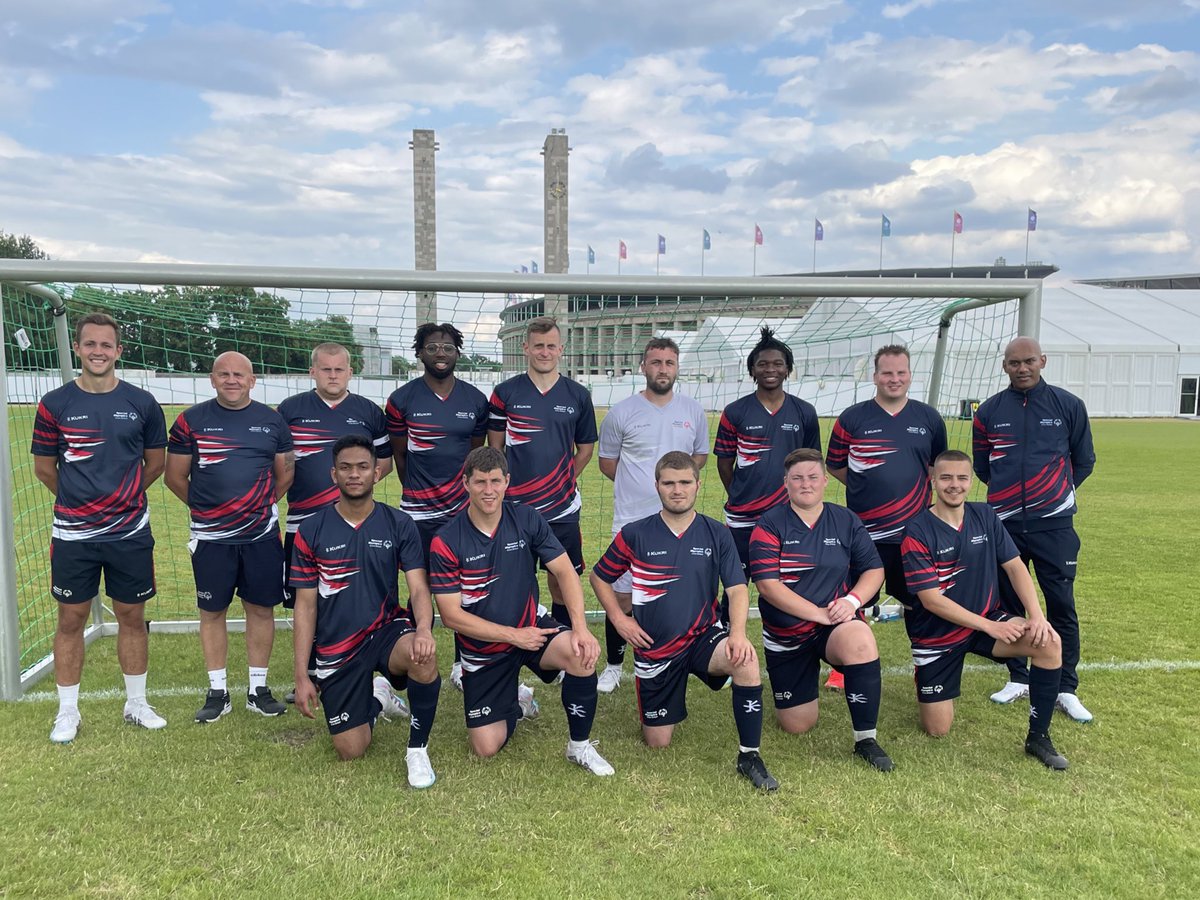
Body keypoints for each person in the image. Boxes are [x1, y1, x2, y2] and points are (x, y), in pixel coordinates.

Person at [592, 451, 778, 790]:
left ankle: (749, 755)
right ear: (657, 486)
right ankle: (695, 685)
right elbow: (599, 577)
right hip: (655, 649)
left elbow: (737, 589)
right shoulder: (636, 534)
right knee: (657, 742)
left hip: (702, 637)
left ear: (697, 484)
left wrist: (737, 633)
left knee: (746, 660)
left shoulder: (716, 533)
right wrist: (619, 620)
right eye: (669, 483)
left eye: (684, 482)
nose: (677, 490)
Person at [429, 447, 614, 776]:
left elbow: (566, 572)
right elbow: (452, 616)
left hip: (533, 627)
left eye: (496, 481)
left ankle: (579, 747)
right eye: (481, 482)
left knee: (580, 652)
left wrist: (581, 628)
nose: (489, 490)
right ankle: (518, 703)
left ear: (507, 482)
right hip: (483, 647)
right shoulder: (446, 540)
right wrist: (514, 636)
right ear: (466, 484)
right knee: (485, 747)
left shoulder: (526, 518)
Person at [32, 312, 168, 743]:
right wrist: (80, 501)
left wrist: (121, 499)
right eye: (89, 344)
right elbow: (43, 468)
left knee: (131, 614)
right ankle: (67, 712)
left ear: (118, 351)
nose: (97, 352)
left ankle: (136, 704)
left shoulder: (142, 403)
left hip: (129, 531)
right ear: (77, 349)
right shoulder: (54, 404)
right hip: (74, 534)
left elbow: (156, 463)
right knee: (71, 618)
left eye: (106, 345)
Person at [900, 450, 1069, 769]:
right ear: (933, 481)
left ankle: (1039, 737)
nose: (954, 485)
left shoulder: (986, 516)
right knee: (937, 730)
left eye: (962, 478)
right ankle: (926, 676)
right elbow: (931, 600)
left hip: (987, 621)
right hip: (937, 635)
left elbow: (1016, 566)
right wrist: (990, 626)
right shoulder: (917, 531)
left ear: (971, 481)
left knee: (1049, 643)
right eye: (946, 477)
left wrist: (1037, 616)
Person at [290, 435, 441, 787]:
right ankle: (378, 697)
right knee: (350, 750)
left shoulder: (398, 523)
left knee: (423, 657)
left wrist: (423, 630)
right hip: (337, 644)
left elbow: (419, 587)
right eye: (345, 468)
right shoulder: (311, 529)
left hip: (386, 630)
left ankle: (417, 750)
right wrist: (301, 674)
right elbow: (305, 605)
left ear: (377, 472)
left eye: (362, 467)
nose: (354, 475)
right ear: (333, 475)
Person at [165, 351, 295, 723]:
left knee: (260, 608)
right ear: (212, 378)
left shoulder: (272, 421)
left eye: (239, 374)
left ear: (252, 380)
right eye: (224, 374)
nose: (232, 380)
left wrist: (259, 506)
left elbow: (284, 474)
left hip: (260, 535)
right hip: (210, 538)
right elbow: (175, 477)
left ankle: (258, 689)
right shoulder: (190, 421)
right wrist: (208, 510)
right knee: (212, 611)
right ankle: (217, 692)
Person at [973, 336, 1096, 722]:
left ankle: (1065, 686)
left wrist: (1051, 495)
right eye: (1014, 363)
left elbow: (1084, 460)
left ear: (1042, 361)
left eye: (1029, 361)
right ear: (1004, 366)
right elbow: (983, 467)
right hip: (1004, 524)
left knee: (1060, 603)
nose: (1022, 368)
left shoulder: (1068, 405)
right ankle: (1018, 676)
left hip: (1054, 524)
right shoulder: (989, 411)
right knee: (1008, 603)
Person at [748, 448, 894, 771]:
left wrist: (851, 602)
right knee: (797, 724)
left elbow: (874, 570)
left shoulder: (845, 520)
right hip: (788, 635)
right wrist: (818, 613)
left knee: (861, 640)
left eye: (813, 477)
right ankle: (799, 684)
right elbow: (768, 586)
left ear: (826, 481)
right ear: (785, 483)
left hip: (835, 625)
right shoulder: (769, 524)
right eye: (797, 478)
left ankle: (866, 740)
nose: (806, 484)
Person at [825, 344, 947, 688]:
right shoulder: (852, 418)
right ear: (875, 376)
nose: (894, 379)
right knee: (854, 597)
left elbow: (935, 466)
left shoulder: (928, 418)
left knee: (920, 601)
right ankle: (845, 667)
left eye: (901, 372)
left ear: (910, 375)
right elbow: (835, 465)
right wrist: (870, 485)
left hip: (914, 533)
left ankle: (925, 663)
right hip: (865, 532)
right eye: (887, 373)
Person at [278, 343, 393, 705]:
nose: (332, 375)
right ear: (312, 371)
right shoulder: (290, 410)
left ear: (349, 371)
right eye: (325, 369)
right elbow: (277, 463)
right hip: (303, 524)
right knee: (308, 599)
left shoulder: (368, 412)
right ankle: (312, 672)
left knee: (351, 596)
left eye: (339, 369)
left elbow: (384, 463)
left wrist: (355, 493)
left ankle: (362, 670)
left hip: (354, 526)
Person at [595, 337, 709, 693]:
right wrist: (644, 487)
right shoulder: (622, 412)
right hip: (631, 521)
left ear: (677, 368)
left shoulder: (693, 412)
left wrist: (673, 490)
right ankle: (614, 666)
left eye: (669, 363)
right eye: (655, 362)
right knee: (623, 597)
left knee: (671, 594)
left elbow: (698, 458)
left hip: (679, 524)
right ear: (643, 367)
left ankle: (673, 658)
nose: (662, 369)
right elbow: (607, 462)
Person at [385, 322, 489, 691]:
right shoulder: (401, 400)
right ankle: (417, 656)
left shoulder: (476, 400)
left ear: (458, 353)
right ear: (420, 354)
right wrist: (418, 492)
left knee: (469, 585)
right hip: (418, 512)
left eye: (447, 347)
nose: (440, 353)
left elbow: (476, 453)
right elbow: (399, 455)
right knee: (420, 587)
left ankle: (465, 663)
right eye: (432, 347)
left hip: (464, 512)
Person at [487, 317, 597, 628]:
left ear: (561, 349)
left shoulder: (577, 395)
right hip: (514, 509)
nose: (545, 352)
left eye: (551, 346)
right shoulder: (505, 393)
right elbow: (495, 451)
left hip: (562, 509)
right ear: (526, 348)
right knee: (510, 584)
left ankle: (562, 644)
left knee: (561, 581)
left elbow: (585, 449)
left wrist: (561, 480)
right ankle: (514, 649)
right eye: (538, 346)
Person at [714, 326, 821, 627]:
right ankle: (724, 637)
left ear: (788, 369)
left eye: (777, 363)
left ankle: (793, 632)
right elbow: (724, 462)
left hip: (789, 515)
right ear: (752, 370)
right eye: (762, 364)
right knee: (737, 582)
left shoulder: (804, 412)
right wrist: (740, 492)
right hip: (743, 517)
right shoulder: (735, 412)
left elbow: (812, 464)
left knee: (789, 579)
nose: (770, 369)